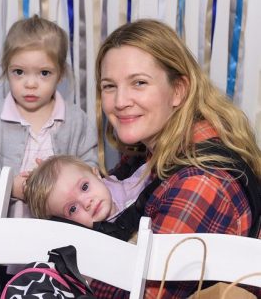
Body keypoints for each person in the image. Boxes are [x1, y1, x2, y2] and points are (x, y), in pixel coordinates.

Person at [91, 18, 261, 298]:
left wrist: (73, 259)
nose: (120, 101)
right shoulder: (149, 153)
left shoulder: (201, 181)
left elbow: (145, 293)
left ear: (178, 91)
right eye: (109, 86)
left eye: (139, 83)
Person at [0, 14, 98, 291]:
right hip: (5, 236)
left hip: (61, 236)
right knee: (4, 288)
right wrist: (10, 185)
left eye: (44, 73)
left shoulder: (76, 120)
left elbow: (91, 168)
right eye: (19, 72)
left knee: (54, 286)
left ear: (60, 73)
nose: (31, 84)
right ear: (6, 70)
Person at [24, 154, 150, 228]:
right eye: (72, 209)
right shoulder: (88, 243)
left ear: (96, 175)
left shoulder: (128, 188)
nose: (86, 203)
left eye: (84, 187)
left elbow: (152, 172)